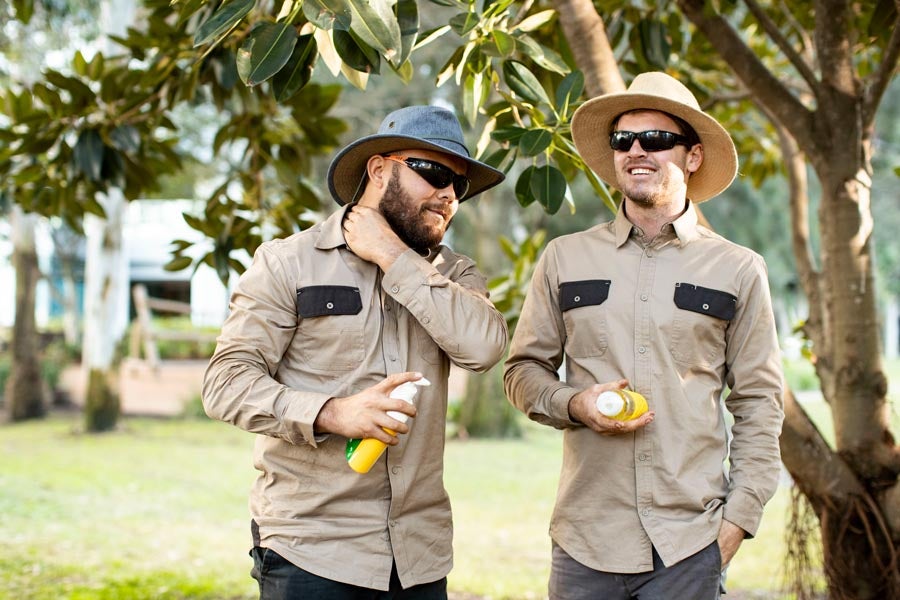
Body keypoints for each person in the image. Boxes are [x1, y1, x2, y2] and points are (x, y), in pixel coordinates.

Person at [202, 105, 508, 599]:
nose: (448, 193)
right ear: (379, 169)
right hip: (312, 550)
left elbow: (484, 349)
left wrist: (392, 255)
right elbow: (226, 383)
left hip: (419, 555)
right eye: (432, 171)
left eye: (459, 184)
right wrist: (332, 412)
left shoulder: (455, 276)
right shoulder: (288, 263)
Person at [503, 72, 784, 599]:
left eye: (655, 140)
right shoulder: (564, 258)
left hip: (689, 546)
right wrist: (574, 403)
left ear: (693, 157)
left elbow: (759, 403)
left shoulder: (739, 269)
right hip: (585, 541)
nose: (637, 151)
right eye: (622, 140)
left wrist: (735, 525)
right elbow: (522, 373)